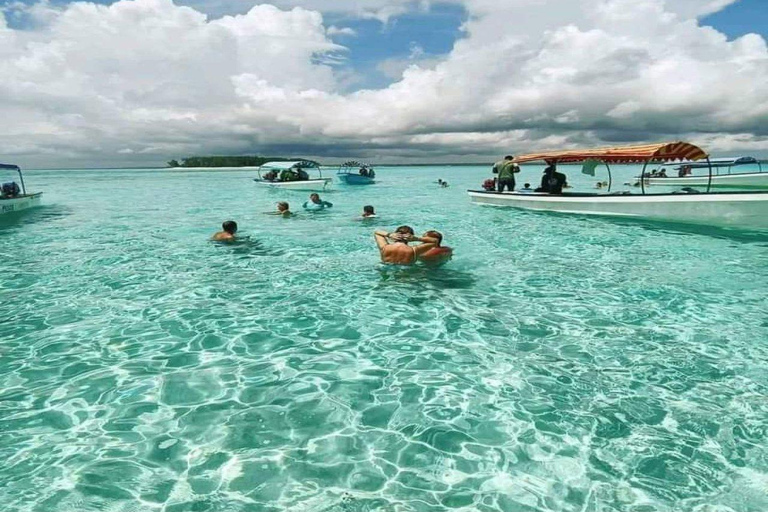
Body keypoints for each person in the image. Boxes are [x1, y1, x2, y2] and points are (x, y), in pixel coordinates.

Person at [374, 226, 439, 266]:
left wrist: (389, 235)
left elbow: (377, 232)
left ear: (395, 234)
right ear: (411, 236)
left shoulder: (384, 247)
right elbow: (435, 241)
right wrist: (416, 238)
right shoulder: (414, 250)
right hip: (405, 275)